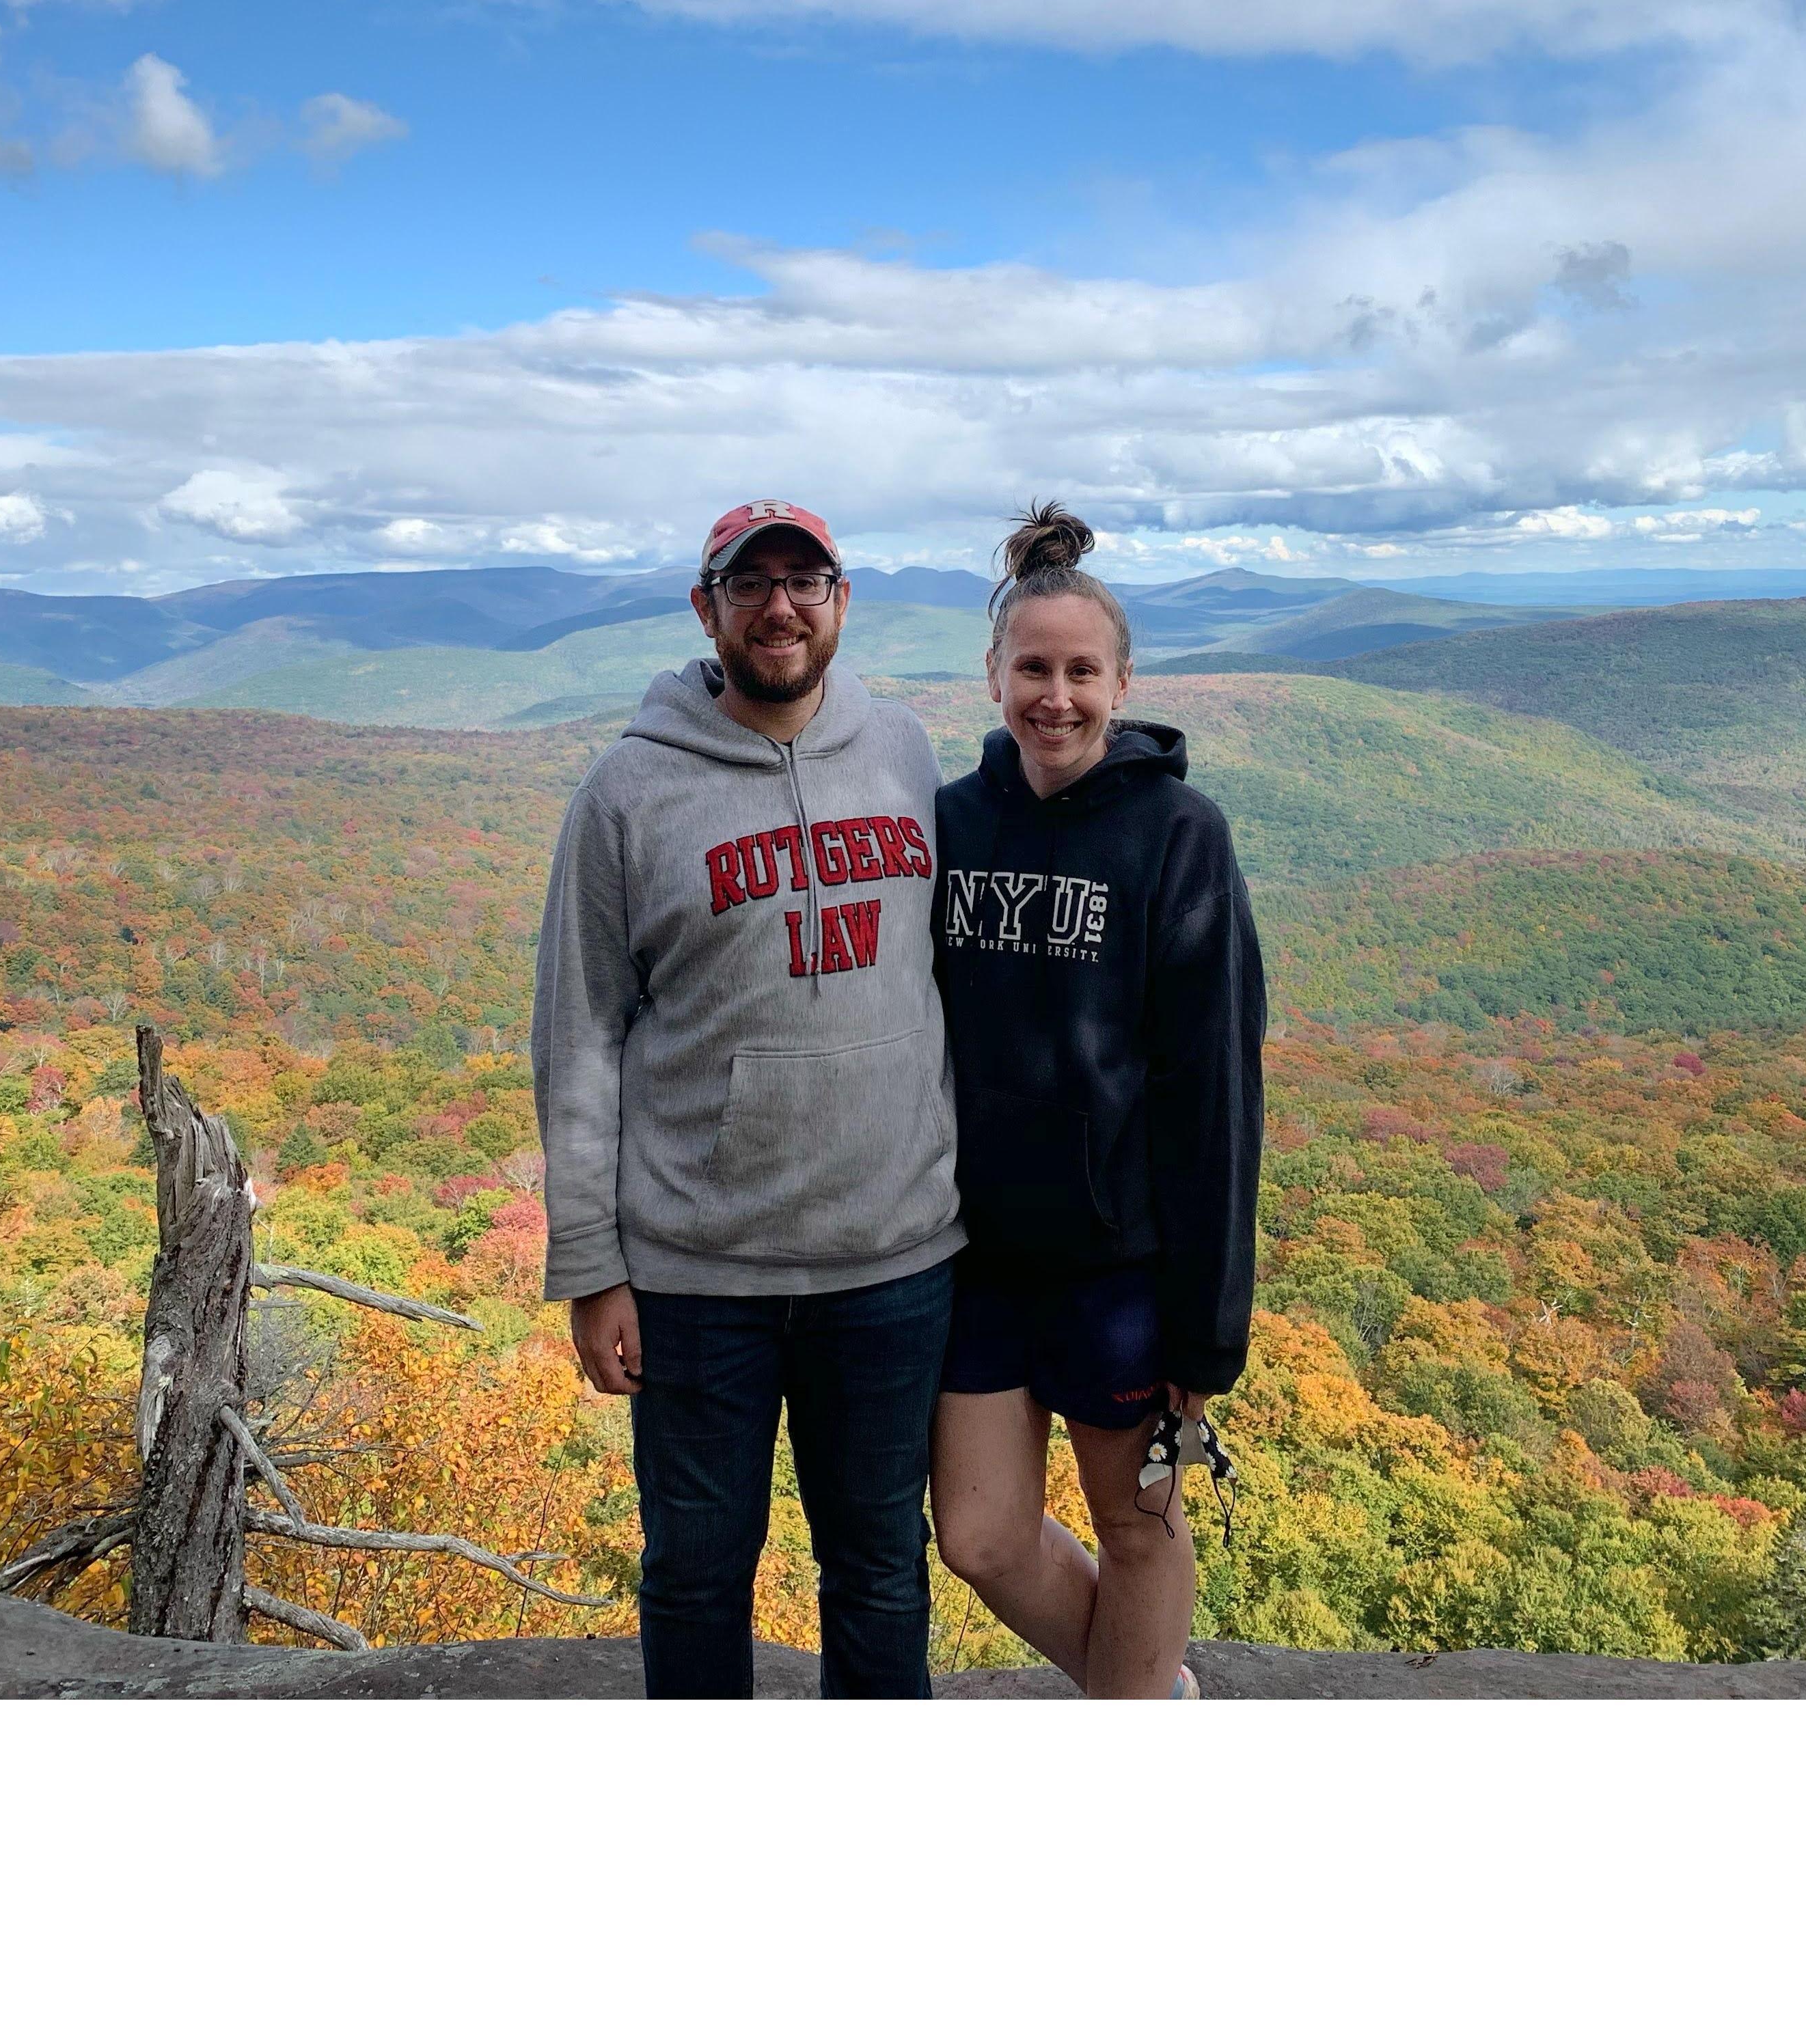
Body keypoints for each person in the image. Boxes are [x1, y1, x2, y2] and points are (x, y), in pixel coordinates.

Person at [534, 498, 963, 1698]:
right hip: (695, 1275)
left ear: (839, 603)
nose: (780, 606)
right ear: (706, 607)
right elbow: (578, 1037)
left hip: (893, 1259)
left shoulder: (908, 753)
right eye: (751, 583)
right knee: (695, 1573)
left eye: (805, 582)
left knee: (880, 1569)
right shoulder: (628, 794)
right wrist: (591, 1267)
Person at [929, 502, 1265, 1698]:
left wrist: (1206, 1326)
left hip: (1123, 1265)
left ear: (1124, 683)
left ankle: (1133, 1707)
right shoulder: (952, 824)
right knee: (976, 1535)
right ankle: (1149, 1687)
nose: (1054, 696)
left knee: (1135, 1526)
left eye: (1081, 670)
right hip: (972, 1257)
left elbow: (1217, 1085)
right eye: (1033, 668)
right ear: (994, 675)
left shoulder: (1180, 837)